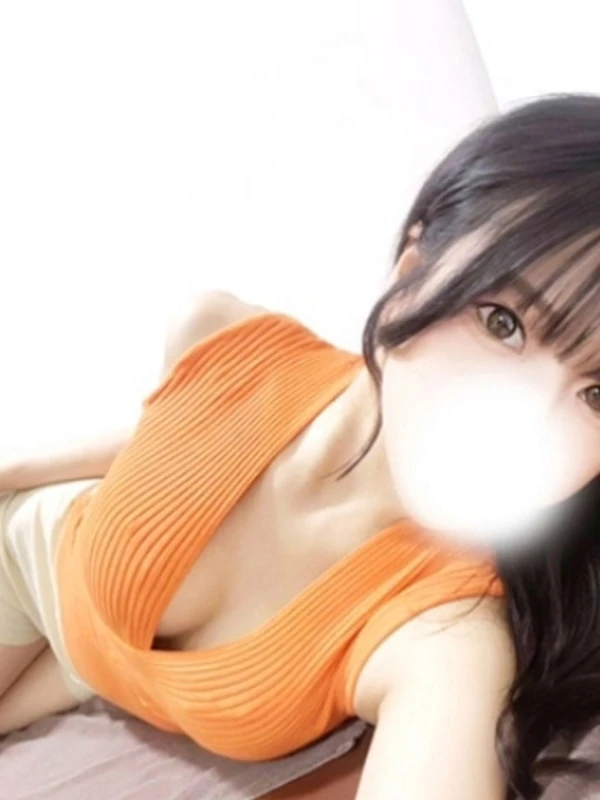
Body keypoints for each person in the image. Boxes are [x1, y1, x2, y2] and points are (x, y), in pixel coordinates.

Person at [1, 92, 600, 800]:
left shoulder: (447, 634)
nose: (530, 421)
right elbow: (170, 434)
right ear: (413, 271)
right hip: (28, 564)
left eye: (598, 394)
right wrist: (19, 467)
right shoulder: (221, 330)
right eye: (503, 323)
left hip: (89, 669)